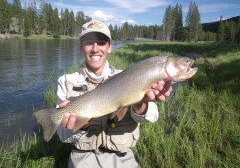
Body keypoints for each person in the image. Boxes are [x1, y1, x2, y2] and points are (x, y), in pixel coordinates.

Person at [56, 20, 173, 168]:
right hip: (82, 159)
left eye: (101, 42)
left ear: (109, 47)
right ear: (80, 47)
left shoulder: (129, 76)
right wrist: (81, 124)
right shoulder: (66, 81)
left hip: (123, 158)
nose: (95, 48)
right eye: (88, 43)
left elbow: (152, 117)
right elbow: (62, 136)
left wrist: (140, 103)